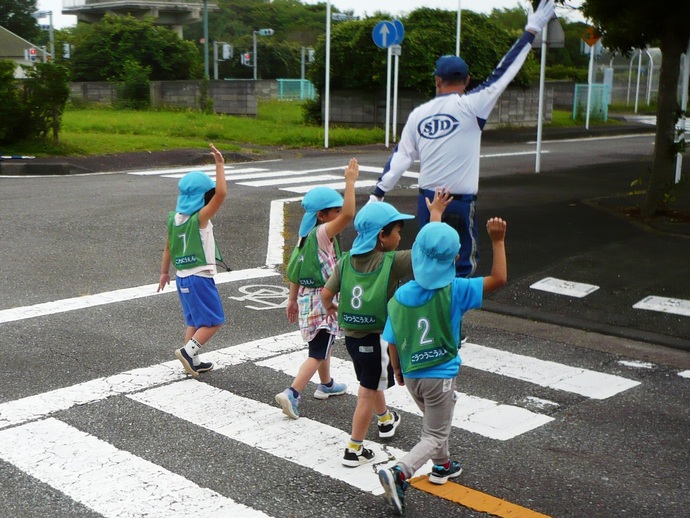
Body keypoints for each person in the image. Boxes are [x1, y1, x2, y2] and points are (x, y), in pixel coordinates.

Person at [370, 0, 554, 281]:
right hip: (458, 202)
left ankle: (427, 317)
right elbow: (503, 72)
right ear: (467, 80)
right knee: (460, 268)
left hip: (428, 201)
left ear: (437, 81)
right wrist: (530, 31)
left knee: (428, 262)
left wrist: (377, 194)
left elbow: (401, 158)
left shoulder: (419, 114)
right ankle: (452, 320)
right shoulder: (473, 106)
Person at [377, 217, 507, 515]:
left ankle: (443, 466)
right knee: (434, 434)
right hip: (440, 375)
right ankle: (399, 472)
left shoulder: (399, 297)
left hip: (412, 377)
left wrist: (397, 371)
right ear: (456, 259)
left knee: (438, 422)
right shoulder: (455, 290)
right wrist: (497, 240)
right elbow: (498, 278)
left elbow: (392, 342)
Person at [321, 189, 452, 467]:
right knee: (367, 390)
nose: (400, 237)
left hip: (353, 339)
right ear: (382, 236)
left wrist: (334, 309)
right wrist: (436, 215)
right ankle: (354, 448)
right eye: (397, 231)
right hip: (376, 338)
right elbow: (426, 251)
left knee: (370, 380)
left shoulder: (344, 262)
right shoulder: (390, 262)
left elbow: (325, 295)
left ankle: (385, 420)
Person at [275, 158, 359, 419]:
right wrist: (350, 182)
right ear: (321, 216)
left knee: (324, 344)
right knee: (318, 350)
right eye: (333, 212)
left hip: (305, 299)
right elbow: (349, 215)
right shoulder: (322, 233)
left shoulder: (305, 236)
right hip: (323, 300)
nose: (338, 216)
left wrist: (291, 299)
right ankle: (292, 392)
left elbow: (296, 270)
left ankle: (326, 384)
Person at [158, 143, 227, 378]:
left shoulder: (174, 219)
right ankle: (188, 353)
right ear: (203, 197)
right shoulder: (200, 218)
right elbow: (222, 194)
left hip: (182, 278)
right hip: (200, 277)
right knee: (214, 321)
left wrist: (164, 273)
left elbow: (168, 247)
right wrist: (219, 165)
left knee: (194, 321)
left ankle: (193, 362)